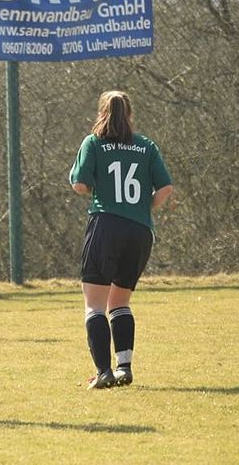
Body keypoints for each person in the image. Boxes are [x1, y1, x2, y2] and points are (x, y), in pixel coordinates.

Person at [69, 90, 173, 389]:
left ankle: (103, 372)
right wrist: (143, 206)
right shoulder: (145, 146)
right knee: (120, 301)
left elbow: (80, 184)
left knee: (95, 305)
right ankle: (124, 367)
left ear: (102, 113)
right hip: (140, 230)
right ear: (129, 114)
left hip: (106, 226)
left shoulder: (94, 142)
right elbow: (165, 188)